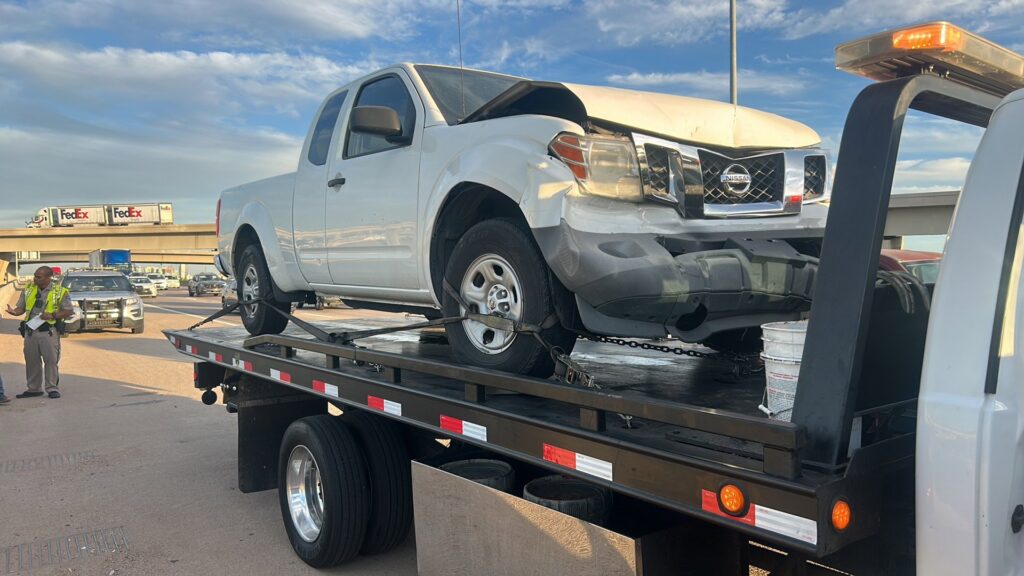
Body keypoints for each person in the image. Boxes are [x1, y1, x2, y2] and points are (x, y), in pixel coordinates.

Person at [5, 266, 72, 399]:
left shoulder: (60, 291)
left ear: (48, 277)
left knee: (51, 361)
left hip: (48, 332)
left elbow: (68, 311)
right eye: (35, 275)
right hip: (30, 332)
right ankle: (34, 389)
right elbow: (21, 308)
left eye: (39, 277)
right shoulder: (29, 290)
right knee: (32, 361)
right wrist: (14, 312)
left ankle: (52, 388)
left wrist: (52, 315)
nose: (35, 278)